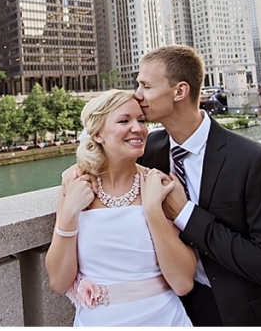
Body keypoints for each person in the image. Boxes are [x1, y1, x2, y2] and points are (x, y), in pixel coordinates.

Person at [135, 45, 261, 326]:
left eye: (146, 86)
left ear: (180, 91)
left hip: (239, 313)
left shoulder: (251, 159)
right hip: (173, 310)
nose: (137, 95)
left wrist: (185, 214)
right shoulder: (149, 150)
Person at [45, 89, 195, 326]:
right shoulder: (74, 185)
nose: (138, 128)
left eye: (141, 120)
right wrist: (70, 213)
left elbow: (183, 283)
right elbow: (59, 282)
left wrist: (153, 211)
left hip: (163, 320)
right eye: (124, 121)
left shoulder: (160, 185)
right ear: (98, 135)